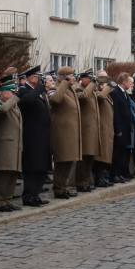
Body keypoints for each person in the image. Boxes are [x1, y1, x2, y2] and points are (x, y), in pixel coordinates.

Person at [16, 66, 52, 207]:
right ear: (32, 78)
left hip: (43, 135)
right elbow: (27, 102)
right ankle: (28, 196)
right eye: (38, 77)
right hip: (31, 136)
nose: (40, 80)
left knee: (42, 167)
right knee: (32, 167)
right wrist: (39, 89)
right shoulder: (24, 90)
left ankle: (36, 194)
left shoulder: (40, 92)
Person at [48, 66, 82, 198]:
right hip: (62, 132)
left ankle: (64, 186)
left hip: (71, 131)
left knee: (69, 160)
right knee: (62, 161)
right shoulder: (55, 88)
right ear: (64, 76)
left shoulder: (70, 89)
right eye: (72, 75)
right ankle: (58, 188)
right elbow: (55, 100)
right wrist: (64, 83)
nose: (74, 78)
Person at [0, 74, 23, 211]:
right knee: (4, 175)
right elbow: (1, 110)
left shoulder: (14, 106)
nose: (13, 95)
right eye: (11, 92)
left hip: (15, 145)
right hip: (5, 145)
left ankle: (8, 199)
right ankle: (0, 201)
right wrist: (15, 98)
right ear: (4, 93)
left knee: (12, 174)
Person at [110, 73, 135, 181]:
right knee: (117, 152)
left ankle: (120, 173)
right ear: (124, 82)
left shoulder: (125, 93)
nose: (131, 84)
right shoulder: (115, 93)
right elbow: (116, 113)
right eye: (129, 82)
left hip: (127, 127)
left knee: (123, 152)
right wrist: (117, 129)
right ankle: (114, 173)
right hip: (120, 128)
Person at [75, 70, 100, 191]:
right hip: (85, 129)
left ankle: (85, 180)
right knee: (84, 157)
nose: (91, 81)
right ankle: (80, 182)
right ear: (83, 79)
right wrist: (92, 85)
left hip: (93, 129)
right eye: (88, 79)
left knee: (90, 157)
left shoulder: (92, 91)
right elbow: (83, 97)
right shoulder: (79, 89)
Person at [94, 72, 116, 187]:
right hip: (102, 129)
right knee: (101, 155)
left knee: (106, 154)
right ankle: (99, 178)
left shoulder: (108, 95)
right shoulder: (98, 93)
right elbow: (100, 97)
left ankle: (103, 176)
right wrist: (107, 88)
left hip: (108, 128)